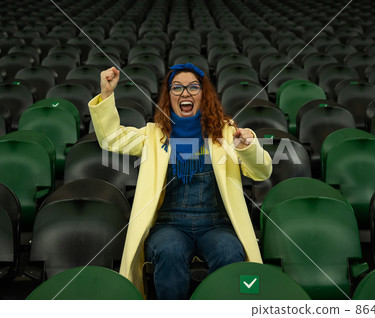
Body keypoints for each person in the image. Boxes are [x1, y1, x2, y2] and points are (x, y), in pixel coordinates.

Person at [88, 63, 272, 299]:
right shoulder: (155, 135)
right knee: (169, 251)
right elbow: (111, 140)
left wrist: (248, 147)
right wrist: (106, 94)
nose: (185, 93)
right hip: (170, 225)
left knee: (229, 252)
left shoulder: (226, 133)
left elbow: (262, 172)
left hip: (216, 224)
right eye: (177, 88)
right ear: (169, 96)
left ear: (204, 94)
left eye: (193, 87)